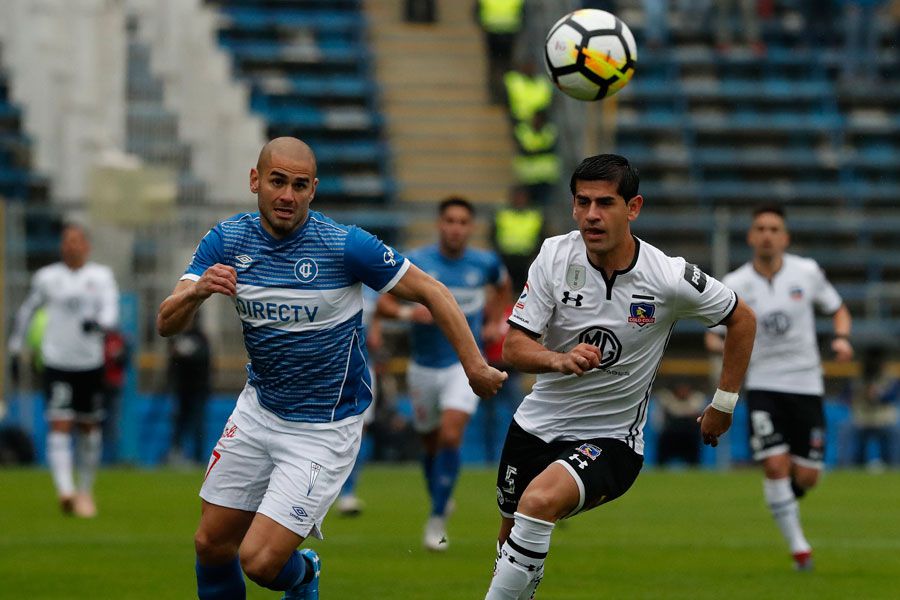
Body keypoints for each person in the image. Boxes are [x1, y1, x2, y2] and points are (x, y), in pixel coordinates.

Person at [156, 137, 506, 600]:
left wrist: (475, 366)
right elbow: (167, 322)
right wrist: (196, 292)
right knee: (211, 544)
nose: (287, 195)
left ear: (313, 190)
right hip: (258, 411)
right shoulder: (227, 239)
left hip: (324, 428)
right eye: (277, 182)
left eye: (300, 185)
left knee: (260, 561)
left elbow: (434, 292)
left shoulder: (345, 245)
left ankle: (305, 574)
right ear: (255, 181)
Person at [484, 154, 756, 599]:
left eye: (605, 203)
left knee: (537, 505)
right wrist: (559, 359)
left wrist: (723, 404)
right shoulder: (554, 255)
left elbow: (742, 318)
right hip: (534, 427)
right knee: (510, 542)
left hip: (611, 440)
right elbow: (513, 347)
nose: (592, 215)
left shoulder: (667, 277)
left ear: (633, 208)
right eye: (582, 202)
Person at [705, 203, 853, 571]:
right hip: (764, 385)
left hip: (806, 383)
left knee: (807, 476)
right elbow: (714, 333)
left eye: (774, 229)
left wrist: (842, 337)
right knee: (774, 465)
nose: (767, 235)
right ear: (751, 236)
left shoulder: (807, 272)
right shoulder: (735, 283)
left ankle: (785, 497)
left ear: (784, 237)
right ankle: (800, 549)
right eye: (761, 228)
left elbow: (838, 308)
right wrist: (721, 345)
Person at [377, 196, 512, 551]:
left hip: (463, 365)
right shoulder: (418, 262)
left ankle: (437, 519)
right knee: (431, 444)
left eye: (462, 222)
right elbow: (385, 302)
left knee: (451, 436)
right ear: (440, 224)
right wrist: (409, 315)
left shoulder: (484, 263)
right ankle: (440, 493)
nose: (455, 227)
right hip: (423, 367)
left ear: (471, 227)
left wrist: (496, 320)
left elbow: (503, 285)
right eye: (449, 220)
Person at [7, 222, 120, 518]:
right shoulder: (47, 278)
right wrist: (16, 345)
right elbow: (28, 309)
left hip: (89, 362)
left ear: (87, 245)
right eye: (67, 241)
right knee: (59, 422)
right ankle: (65, 490)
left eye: (77, 241)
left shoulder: (101, 276)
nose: (71, 246)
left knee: (88, 427)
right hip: (57, 361)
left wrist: (100, 324)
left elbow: (110, 310)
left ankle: (85, 490)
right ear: (61, 246)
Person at [336, 286, 383, 516]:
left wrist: (375, 334)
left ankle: (348, 492)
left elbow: (376, 327)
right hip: (330, 369)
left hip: (362, 368)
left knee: (358, 429)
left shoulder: (372, 285)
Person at [167, 312, 212, 466]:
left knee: (198, 424)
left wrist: (184, 355)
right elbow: (172, 363)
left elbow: (203, 359)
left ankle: (198, 457)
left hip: (198, 389)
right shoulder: (177, 336)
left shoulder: (201, 338)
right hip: (182, 389)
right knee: (179, 423)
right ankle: (176, 454)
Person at [846, 344, 898, 468]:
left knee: (891, 454)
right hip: (862, 419)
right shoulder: (858, 378)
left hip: (884, 420)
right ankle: (855, 469)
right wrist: (862, 393)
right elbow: (846, 396)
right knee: (856, 453)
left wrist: (878, 394)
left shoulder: (889, 378)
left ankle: (892, 468)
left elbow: (892, 397)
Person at [491, 185, 547, 295]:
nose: (519, 200)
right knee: (504, 290)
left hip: (527, 259)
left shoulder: (535, 216)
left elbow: (542, 236)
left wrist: (536, 254)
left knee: (526, 291)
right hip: (505, 258)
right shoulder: (502, 214)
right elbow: (492, 235)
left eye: (522, 197)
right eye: (517, 197)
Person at [477, 0, 525, 104]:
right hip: (507, 32)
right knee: (503, 65)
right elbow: (523, 13)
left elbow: (477, 12)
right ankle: (500, 96)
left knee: (497, 65)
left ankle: (499, 96)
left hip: (495, 32)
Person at [655, 381, 706, 466]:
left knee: (694, 463)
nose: (683, 392)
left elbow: (694, 412)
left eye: (685, 389)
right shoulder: (667, 399)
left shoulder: (697, 399)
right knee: (661, 462)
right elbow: (658, 421)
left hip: (689, 437)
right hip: (670, 437)